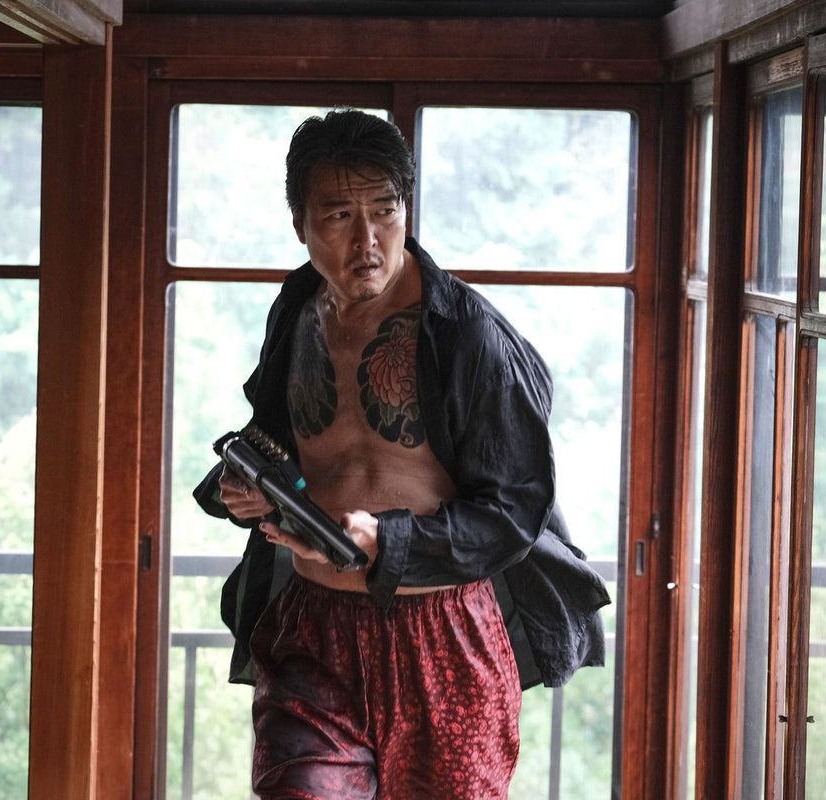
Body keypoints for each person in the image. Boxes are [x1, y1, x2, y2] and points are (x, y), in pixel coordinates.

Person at [194, 108, 610, 799]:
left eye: (385, 212)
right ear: (299, 224)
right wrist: (249, 486)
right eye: (339, 217)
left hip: (443, 635)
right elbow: (274, 437)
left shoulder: (467, 334)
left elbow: (514, 512)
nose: (368, 241)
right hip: (313, 627)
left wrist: (388, 540)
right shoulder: (295, 310)